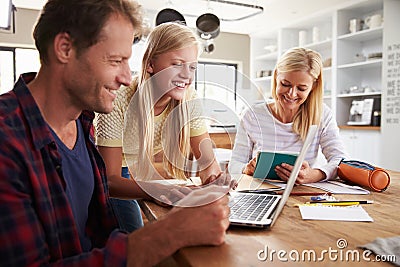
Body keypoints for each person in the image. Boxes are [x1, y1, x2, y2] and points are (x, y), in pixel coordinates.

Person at [0, 0, 230, 266]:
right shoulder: (8, 139)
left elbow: (96, 239)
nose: (125, 76)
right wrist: (167, 233)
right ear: (65, 48)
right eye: (116, 60)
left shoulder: (81, 124)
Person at [95, 22, 229, 232]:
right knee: (134, 234)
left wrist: (214, 180)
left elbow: (208, 163)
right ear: (151, 64)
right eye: (177, 64)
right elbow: (109, 181)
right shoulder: (119, 97)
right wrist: (156, 189)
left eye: (192, 67)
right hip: (103, 173)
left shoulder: (188, 98)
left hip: (133, 170)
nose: (187, 75)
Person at [229, 47, 348, 184]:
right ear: (276, 77)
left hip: (302, 193)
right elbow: (235, 164)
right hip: (259, 191)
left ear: (313, 87)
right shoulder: (253, 115)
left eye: (301, 88)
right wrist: (246, 169)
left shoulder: (321, 114)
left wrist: (315, 175)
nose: (291, 94)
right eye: (285, 84)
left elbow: (341, 160)